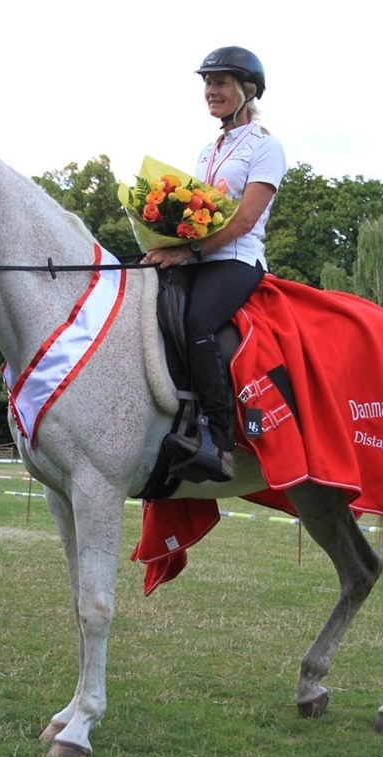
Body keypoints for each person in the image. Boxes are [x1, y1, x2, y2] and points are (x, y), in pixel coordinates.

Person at [144, 46, 286, 483]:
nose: (211, 90)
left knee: (198, 320)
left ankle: (219, 440)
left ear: (248, 90)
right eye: (207, 83)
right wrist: (162, 243)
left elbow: (243, 221)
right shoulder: (208, 151)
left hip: (238, 258)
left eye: (220, 82)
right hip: (199, 256)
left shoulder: (266, 147)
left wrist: (187, 253)